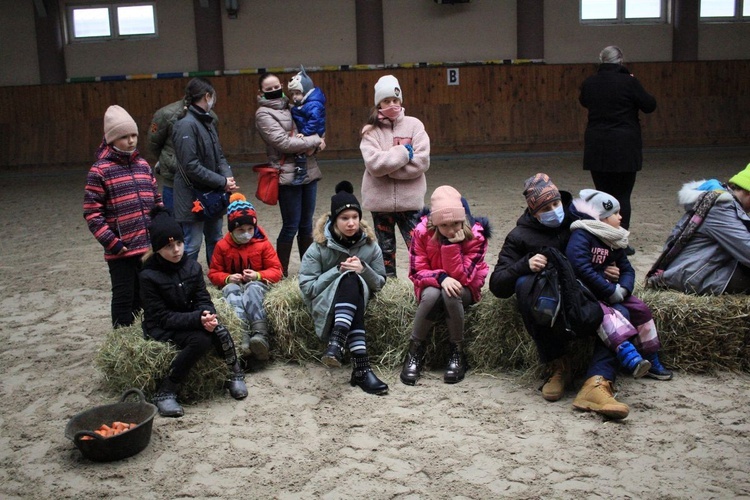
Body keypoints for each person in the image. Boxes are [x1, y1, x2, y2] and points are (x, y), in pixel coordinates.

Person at [489, 173, 629, 419]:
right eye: (545, 208)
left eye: (556, 204)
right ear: (533, 213)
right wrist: (524, 264)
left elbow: (612, 243)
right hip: (552, 305)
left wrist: (607, 265)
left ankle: (597, 382)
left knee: (622, 312)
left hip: (587, 294)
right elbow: (497, 285)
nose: (554, 210)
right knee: (524, 284)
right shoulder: (519, 237)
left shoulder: (580, 221)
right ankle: (558, 365)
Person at [140, 206, 247, 417]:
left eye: (179, 243)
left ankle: (235, 374)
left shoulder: (192, 267)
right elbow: (161, 316)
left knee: (220, 330)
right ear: (158, 248)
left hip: (190, 318)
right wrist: (198, 319)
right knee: (201, 340)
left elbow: (202, 298)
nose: (177, 250)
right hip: (163, 326)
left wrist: (207, 315)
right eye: (169, 246)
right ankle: (167, 390)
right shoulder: (148, 276)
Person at [567, 189, 672, 380]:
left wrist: (623, 288)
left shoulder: (614, 240)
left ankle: (650, 355)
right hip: (588, 294)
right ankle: (630, 358)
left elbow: (627, 269)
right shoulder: (582, 235)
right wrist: (609, 289)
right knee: (610, 317)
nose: (620, 216)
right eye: (615, 213)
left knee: (641, 309)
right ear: (602, 217)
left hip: (612, 291)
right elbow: (580, 267)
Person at [298, 181, 388, 395]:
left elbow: (380, 283)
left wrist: (363, 269)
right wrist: (337, 270)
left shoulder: (370, 245)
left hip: (359, 293)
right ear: (333, 220)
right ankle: (362, 369)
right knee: (348, 278)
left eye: (355, 217)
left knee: (352, 279)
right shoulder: (318, 247)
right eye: (344, 218)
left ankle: (337, 341)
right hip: (326, 300)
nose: (351, 223)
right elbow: (308, 288)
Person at [401, 186, 490, 385]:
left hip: (464, 287)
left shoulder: (476, 236)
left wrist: (451, 246)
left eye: (456, 223)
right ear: (435, 223)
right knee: (432, 295)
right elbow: (416, 272)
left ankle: (457, 353)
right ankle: (415, 352)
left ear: (464, 219)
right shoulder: (421, 232)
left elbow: (464, 277)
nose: (451, 230)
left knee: (452, 293)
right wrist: (441, 278)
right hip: (433, 282)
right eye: (445, 225)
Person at [84, 105, 162, 328]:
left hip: (147, 248)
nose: (131, 141)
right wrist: (113, 243)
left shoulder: (143, 166)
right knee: (123, 298)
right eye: (124, 136)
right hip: (121, 251)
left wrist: (161, 230)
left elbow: (157, 202)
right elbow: (92, 213)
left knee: (146, 295)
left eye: (134, 135)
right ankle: (122, 340)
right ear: (111, 140)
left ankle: (146, 334)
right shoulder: (100, 171)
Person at [579, 45, 657, 255]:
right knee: (622, 195)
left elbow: (584, 101)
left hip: (598, 145)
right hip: (624, 144)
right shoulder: (630, 82)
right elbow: (649, 105)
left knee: (602, 194)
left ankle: (603, 240)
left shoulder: (590, 83)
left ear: (601, 60)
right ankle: (620, 241)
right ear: (621, 60)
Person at [360, 74, 430, 277]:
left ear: (401, 100)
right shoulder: (370, 131)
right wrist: (403, 153)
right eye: (386, 100)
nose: (392, 104)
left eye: (395, 100)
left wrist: (388, 167)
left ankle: (423, 282)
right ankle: (388, 288)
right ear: (379, 103)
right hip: (380, 204)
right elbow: (374, 165)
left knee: (418, 248)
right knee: (384, 251)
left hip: (411, 203)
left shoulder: (415, 126)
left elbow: (422, 161)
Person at [255, 72, 323, 277]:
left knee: (307, 224)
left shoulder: (294, 105)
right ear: (261, 92)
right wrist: (315, 141)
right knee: (291, 225)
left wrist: (318, 141)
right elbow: (283, 143)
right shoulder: (263, 114)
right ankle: (280, 270)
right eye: (269, 89)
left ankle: (308, 269)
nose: (275, 90)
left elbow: (315, 125)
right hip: (286, 175)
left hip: (308, 171)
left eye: (277, 86)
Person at [647, 164, 750, 295]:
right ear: (748, 192)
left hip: (694, 272)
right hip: (693, 278)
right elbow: (747, 250)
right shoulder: (720, 209)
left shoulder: (719, 202)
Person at [208, 193, 283, 360]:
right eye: (241, 230)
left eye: (250, 229)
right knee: (231, 291)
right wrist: (227, 278)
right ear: (232, 229)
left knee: (253, 288)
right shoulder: (222, 246)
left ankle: (260, 334)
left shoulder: (263, 244)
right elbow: (213, 273)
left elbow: (276, 270)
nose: (247, 234)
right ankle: (243, 335)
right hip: (234, 285)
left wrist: (258, 275)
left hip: (257, 285)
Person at [172, 77, 237, 265]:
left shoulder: (207, 122)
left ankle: (217, 277)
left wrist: (227, 177)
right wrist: (222, 181)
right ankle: (185, 282)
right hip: (193, 197)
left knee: (216, 239)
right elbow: (190, 165)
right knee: (192, 244)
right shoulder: (186, 125)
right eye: (213, 96)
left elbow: (220, 155)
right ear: (207, 96)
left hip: (213, 194)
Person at [147, 98, 218, 210]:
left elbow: (213, 147)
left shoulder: (211, 117)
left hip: (201, 179)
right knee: (174, 220)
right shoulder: (165, 114)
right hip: (173, 180)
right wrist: (167, 160)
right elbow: (154, 143)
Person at [287, 66, 326, 186]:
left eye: (297, 93)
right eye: (293, 94)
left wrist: (305, 132)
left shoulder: (313, 104)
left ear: (306, 92)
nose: (294, 97)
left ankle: (301, 171)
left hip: (312, 132)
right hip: (309, 130)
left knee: (302, 151)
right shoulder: (305, 104)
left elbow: (314, 120)